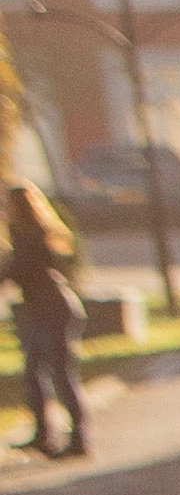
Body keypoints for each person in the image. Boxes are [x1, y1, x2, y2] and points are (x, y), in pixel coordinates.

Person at [5, 172, 83, 458]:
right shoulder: (20, 235)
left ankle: (78, 440)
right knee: (34, 373)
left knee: (61, 374)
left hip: (54, 310)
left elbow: (20, 270)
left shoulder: (36, 236)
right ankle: (43, 435)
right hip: (39, 311)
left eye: (8, 204)